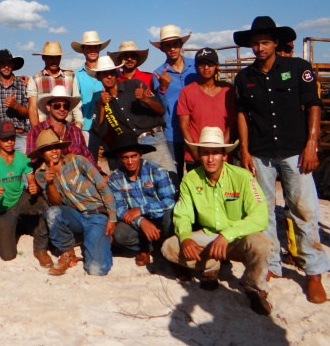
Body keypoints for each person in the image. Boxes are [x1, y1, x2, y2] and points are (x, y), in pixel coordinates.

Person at [234, 16, 330, 303]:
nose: (260, 47)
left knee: (304, 209)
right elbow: (242, 115)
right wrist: (245, 151)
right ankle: (271, 264)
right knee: (263, 213)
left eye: (265, 42)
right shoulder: (244, 77)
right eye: (255, 43)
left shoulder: (298, 68)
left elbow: (313, 104)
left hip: (294, 151)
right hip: (261, 153)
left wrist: (311, 144)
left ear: (276, 43)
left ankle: (313, 272)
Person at [161, 127, 273, 315]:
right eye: (205, 153)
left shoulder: (243, 177)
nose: (210, 158)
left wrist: (227, 234)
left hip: (238, 236)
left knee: (263, 245)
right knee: (169, 247)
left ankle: (253, 288)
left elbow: (260, 217)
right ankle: (210, 267)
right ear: (199, 156)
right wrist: (186, 237)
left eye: (215, 153)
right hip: (208, 236)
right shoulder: (190, 179)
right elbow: (183, 214)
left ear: (224, 155)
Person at [32, 130, 117, 276]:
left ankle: (98, 240)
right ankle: (68, 252)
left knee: (96, 269)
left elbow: (103, 187)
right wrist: (50, 183)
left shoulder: (78, 161)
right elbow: (55, 204)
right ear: (41, 153)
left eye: (56, 147)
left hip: (96, 214)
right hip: (75, 216)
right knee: (52, 214)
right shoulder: (41, 174)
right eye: (48, 149)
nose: (53, 151)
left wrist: (112, 217)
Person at [0, 121, 52, 267]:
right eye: (5, 138)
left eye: (12, 137)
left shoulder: (23, 158)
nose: (9, 142)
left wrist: (33, 186)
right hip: (3, 208)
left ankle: (39, 243)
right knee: (7, 256)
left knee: (46, 207)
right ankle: (15, 226)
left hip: (20, 198)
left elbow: (31, 179)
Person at [91, 56, 177, 178]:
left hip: (151, 138)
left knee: (170, 178)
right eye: (104, 74)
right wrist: (102, 106)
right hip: (130, 148)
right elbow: (99, 131)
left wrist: (145, 99)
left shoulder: (135, 84)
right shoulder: (100, 102)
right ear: (98, 77)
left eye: (111, 73)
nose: (109, 76)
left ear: (116, 73)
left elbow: (160, 110)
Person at [106, 132, 175, 267]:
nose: (130, 161)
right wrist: (141, 221)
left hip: (159, 216)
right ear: (119, 158)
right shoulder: (115, 178)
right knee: (119, 234)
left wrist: (142, 209)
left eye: (133, 156)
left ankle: (168, 248)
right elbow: (119, 208)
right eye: (125, 157)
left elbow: (170, 200)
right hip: (136, 222)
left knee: (171, 217)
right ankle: (145, 246)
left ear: (140, 154)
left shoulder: (157, 171)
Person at [151, 25, 198, 177]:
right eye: (168, 45)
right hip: (172, 132)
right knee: (174, 175)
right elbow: (160, 107)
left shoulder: (196, 66)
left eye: (175, 44)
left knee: (197, 173)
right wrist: (162, 89)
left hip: (196, 129)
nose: (172, 48)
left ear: (181, 45)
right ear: (162, 48)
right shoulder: (158, 73)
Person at [177, 48, 236, 171]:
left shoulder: (228, 91)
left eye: (210, 63)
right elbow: (184, 126)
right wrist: (197, 155)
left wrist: (220, 151)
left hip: (221, 156)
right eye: (202, 64)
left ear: (217, 66)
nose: (206, 67)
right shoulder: (186, 92)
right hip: (194, 157)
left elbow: (232, 124)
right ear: (196, 66)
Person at [25, 85, 95, 166]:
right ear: (48, 107)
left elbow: (87, 156)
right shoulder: (36, 131)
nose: (62, 109)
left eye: (65, 106)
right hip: (48, 177)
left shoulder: (76, 131)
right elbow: (33, 161)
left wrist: (100, 174)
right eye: (57, 105)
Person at [71, 31, 111, 160]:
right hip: (86, 126)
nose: (93, 50)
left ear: (100, 48)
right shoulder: (76, 75)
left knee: (113, 161)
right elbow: (76, 102)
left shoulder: (110, 73)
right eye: (89, 47)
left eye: (95, 46)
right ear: (83, 50)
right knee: (90, 163)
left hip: (109, 125)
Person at [0, 49, 30, 153]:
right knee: (1, 169)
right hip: (0, 137)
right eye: (3, 64)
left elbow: (30, 113)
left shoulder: (23, 85)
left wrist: (16, 106)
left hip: (20, 136)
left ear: (13, 65)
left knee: (25, 168)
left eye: (9, 63)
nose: (6, 66)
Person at [27, 41, 82, 128]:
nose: (54, 61)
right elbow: (33, 109)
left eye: (57, 57)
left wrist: (79, 123)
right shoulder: (35, 80)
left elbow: (76, 103)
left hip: (67, 129)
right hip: (44, 130)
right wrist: (37, 132)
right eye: (50, 58)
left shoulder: (71, 77)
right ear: (43, 57)